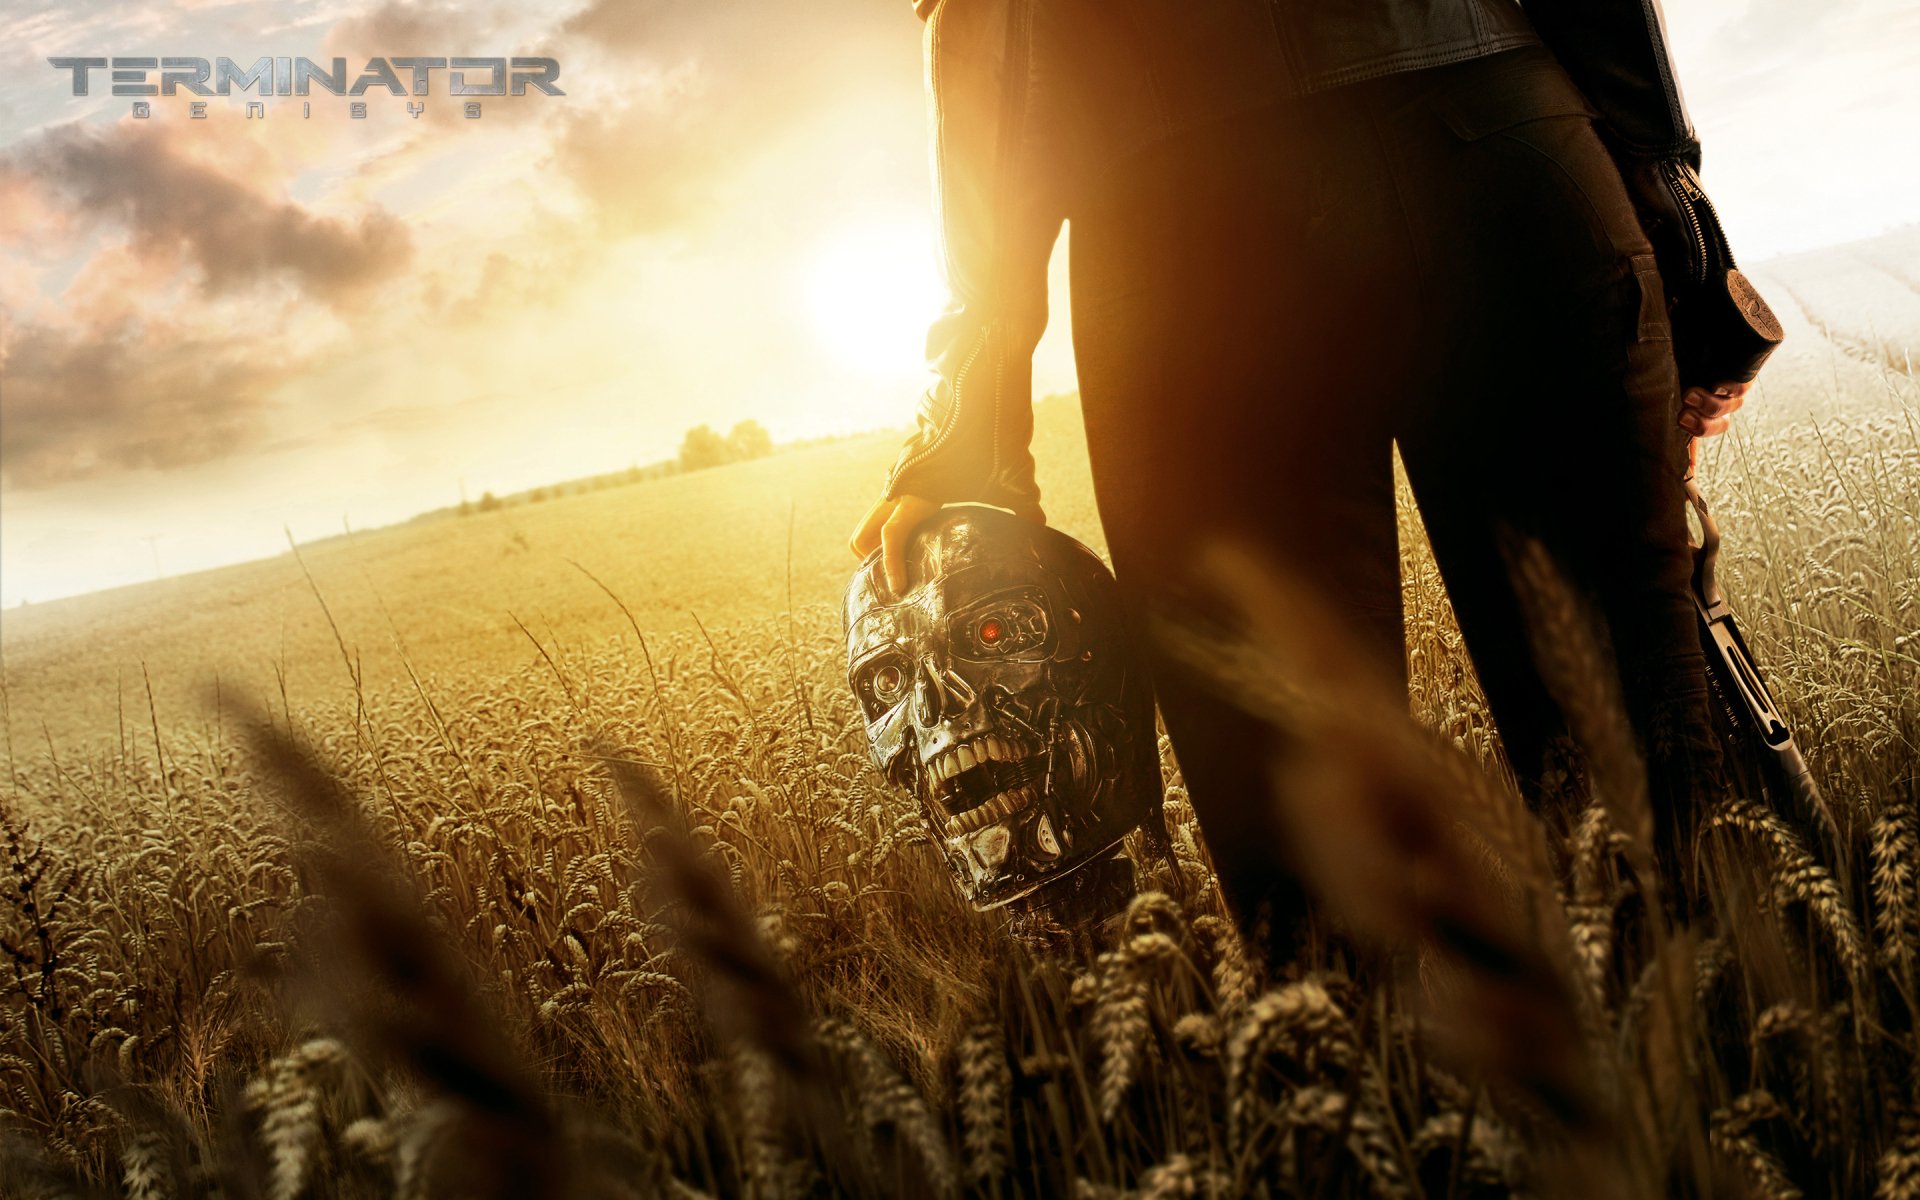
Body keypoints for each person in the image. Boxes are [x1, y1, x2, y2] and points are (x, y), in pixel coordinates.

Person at [849, 0, 1758, 944]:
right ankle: (1727, 1068)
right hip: (1506, 157)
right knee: (1646, 782)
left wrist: (972, 407)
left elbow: (985, 24)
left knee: (1319, 883)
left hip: (1189, 240)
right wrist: (1678, 219)